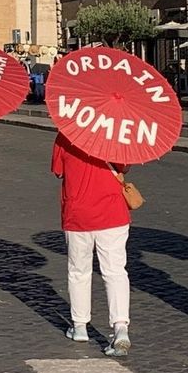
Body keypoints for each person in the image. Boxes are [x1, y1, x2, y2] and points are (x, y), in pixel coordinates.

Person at [51, 132, 132, 356]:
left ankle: (79, 326)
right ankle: (120, 327)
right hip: (112, 213)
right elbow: (124, 167)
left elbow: (58, 171)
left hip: (78, 213)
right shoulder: (115, 131)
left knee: (79, 271)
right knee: (115, 271)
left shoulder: (66, 135)